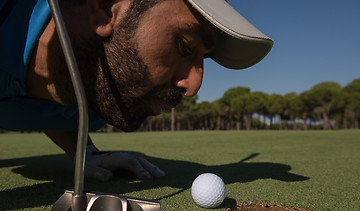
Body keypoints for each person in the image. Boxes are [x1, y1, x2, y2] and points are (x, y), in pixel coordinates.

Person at [0, 0, 273, 181]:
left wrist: (84, 153)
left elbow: (54, 108)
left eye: (204, 59)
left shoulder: (98, 103)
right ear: (107, 7)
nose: (193, 87)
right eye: (185, 46)